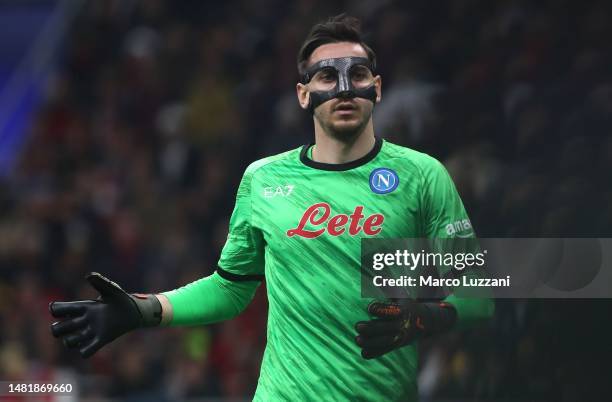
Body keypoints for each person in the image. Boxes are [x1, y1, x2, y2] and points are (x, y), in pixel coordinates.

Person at [49, 14, 493, 401]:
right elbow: (230, 289)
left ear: (376, 88)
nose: (343, 87)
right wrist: (144, 310)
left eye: (357, 74)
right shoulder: (263, 180)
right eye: (325, 76)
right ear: (303, 94)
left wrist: (426, 318)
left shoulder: (422, 175)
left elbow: (481, 294)